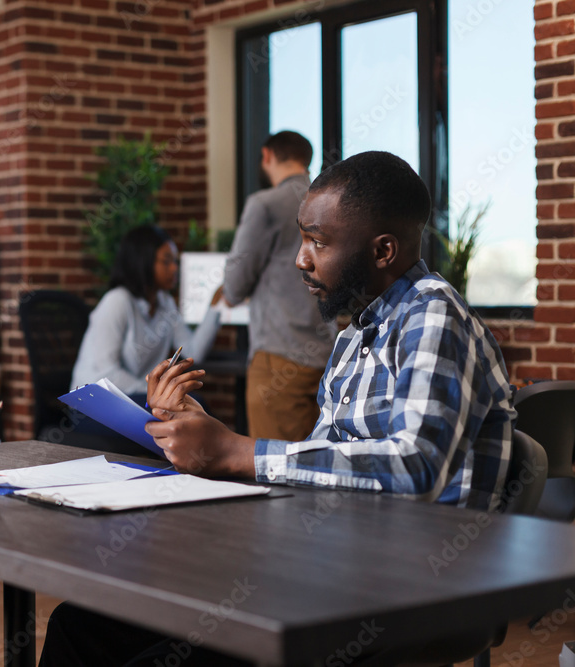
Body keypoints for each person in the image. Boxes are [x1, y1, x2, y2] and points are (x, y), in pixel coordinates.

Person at [38, 151, 515, 667]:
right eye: (302, 238)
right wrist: (206, 433)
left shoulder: (433, 316)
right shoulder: (354, 336)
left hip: (403, 585)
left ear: (382, 251)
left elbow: (415, 467)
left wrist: (239, 452)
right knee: (78, 625)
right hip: (331, 567)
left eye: (318, 241)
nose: (300, 259)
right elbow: (321, 468)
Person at [217, 130, 335, 440]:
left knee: (276, 476)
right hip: (328, 359)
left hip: (278, 359)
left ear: (267, 156)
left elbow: (234, 286)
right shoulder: (333, 203)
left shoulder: (265, 205)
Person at [69, 224, 221, 404]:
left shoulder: (166, 303)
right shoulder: (117, 301)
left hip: (133, 398)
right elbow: (107, 373)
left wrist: (216, 306)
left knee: (192, 407)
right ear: (143, 261)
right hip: (93, 401)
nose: (174, 268)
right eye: (166, 261)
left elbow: (193, 351)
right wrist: (157, 394)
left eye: (175, 261)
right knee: (186, 408)